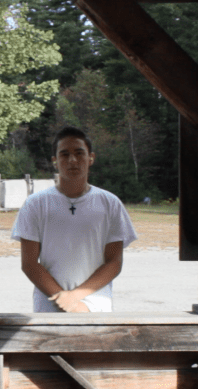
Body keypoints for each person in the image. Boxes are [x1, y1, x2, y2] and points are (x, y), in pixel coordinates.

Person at [11, 127, 137, 312]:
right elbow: (29, 263)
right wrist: (62, 298)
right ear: (55, 161)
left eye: (79, 153)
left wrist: (75, 297)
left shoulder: (110, 203)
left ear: (91, 158)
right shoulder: (35, 204)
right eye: (64, 154)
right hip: (49, 302)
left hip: (95, 301)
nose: (72, 160)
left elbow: (114, 262)